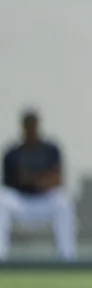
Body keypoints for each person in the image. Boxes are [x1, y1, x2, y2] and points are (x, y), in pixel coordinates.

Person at [0, 108, 77, 261]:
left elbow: (57, 179)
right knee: (2, 200)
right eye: (28, 126)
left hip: (45, 200)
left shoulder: (50, 149)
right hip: (21, 201)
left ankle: (68, 256)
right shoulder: (13, 153)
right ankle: (1, 255)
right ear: (23, 127)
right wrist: (38, 179)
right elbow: (11, 183)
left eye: (33, 126)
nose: (31, 130)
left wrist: (34, 179)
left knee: (63, 201)